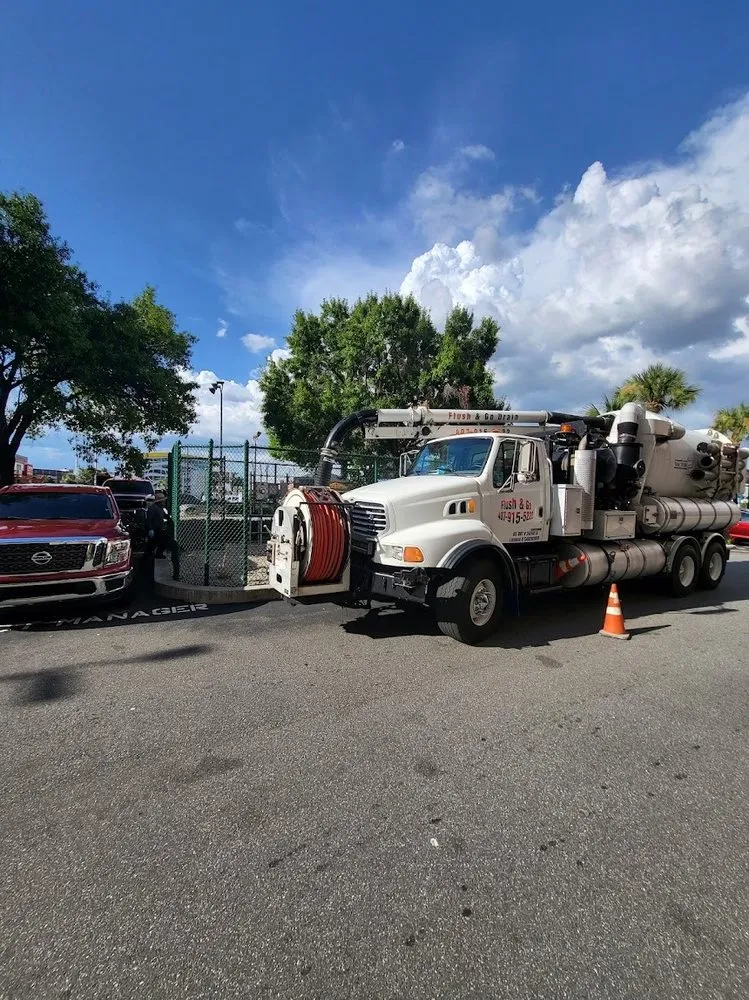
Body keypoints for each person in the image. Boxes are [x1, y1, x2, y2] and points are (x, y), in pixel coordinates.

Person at [145, 491, 180, 580]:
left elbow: (165, 517)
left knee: (152, 549)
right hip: (156, 533)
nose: (164, 502)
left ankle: (156, 556)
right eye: (163, 501)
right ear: (160, 501)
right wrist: (150, 529)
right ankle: (176, 573)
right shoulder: (153, 509)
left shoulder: (160, 509)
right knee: (173, 547)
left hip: (159, 533)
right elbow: (148, 521)